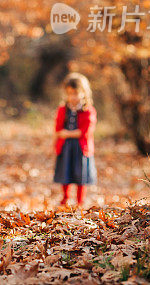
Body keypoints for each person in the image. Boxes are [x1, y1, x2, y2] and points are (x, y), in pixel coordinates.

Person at [53, 72, 97, 206]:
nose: (73, 97)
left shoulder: (88, 110)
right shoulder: (63, 109)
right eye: (70, 94)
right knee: (65, 172)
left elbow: (85, 131)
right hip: (66, 147)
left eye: (76, 94)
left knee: (80, 173)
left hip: (81, 147)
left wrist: (67, 133)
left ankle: (80, 200)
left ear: (84, 93)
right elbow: (58, 128)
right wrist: (56, 141)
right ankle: (65, 197)